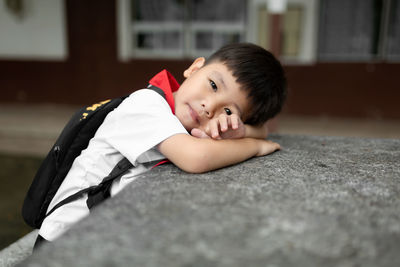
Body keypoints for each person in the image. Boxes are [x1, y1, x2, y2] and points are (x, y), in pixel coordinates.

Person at [34, 43, 287, 248]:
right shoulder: (146, 105)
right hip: (65, 241)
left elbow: (262, 129)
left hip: (105, 235)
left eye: (229, 109)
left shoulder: (183, 122)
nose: (209, 107)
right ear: (195, 67)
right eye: (213, 85)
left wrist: (240, 130)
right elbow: (196, 158)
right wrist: (253, 146)